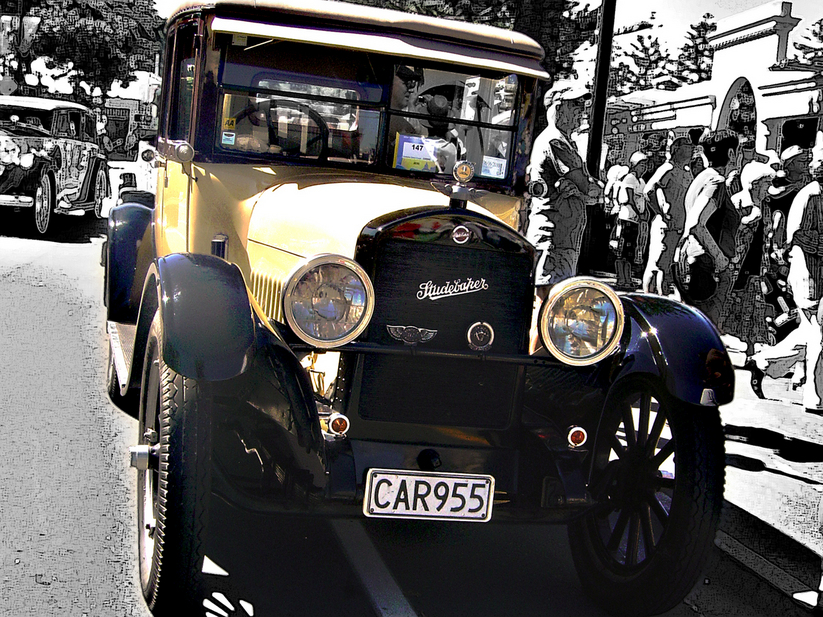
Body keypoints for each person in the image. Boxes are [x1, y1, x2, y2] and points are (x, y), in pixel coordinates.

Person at [747, 136, 823, 412]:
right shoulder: (810, 195)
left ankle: (763, 362)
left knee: (810, 332)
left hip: (814, 273)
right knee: (818, 333)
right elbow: (796, 235)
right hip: (808, 274)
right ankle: (815, 397)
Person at [526, 85, 600, 297]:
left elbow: (593, 192)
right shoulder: (556, 141)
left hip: (560, 239)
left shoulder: (565, 141)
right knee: (550, 301)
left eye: (583, 105)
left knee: (553, 299)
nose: (581, 110)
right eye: (575, 104)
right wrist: (585, 190)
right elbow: (589, 188)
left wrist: (585, 191)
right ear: (558, 107)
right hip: (554, 239)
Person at [674, 129, 740, 326]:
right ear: (731, 153)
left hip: (691, 260)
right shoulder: (716, 181)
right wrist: (721, 260)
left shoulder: (701, 178)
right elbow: (696, 223)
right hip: (707, 267)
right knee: (708, 329)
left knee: (690, 326)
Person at [721, 161, 776, 349]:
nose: (769, 187)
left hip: (755, 267)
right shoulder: (738, 202)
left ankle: (751, 348)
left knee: (752, 312)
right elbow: (729, 232)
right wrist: (749, 220)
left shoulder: (765, 206)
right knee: (730, 310)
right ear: (754, 183)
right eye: (766, 182)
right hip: (736, 266)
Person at [642, 137, 692, 295]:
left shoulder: (686, 172)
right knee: (657, 265)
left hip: (679, 226)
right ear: (676, 149)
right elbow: (649, 190)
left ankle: (660, 298)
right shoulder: (668, 168)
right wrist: (661, 213)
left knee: (668, 266)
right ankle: (649, 298)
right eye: (687, 145)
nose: (691, 149)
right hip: (666, 226)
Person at [610, 151, 648, 290]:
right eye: (641, 164)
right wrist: (639, 213)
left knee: (630, 250)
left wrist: (645, 213)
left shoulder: (641, 182)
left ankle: (628, 278)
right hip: (626, 218)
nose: (644, 168)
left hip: (635, 220)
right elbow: (630, 198)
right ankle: (621, 278)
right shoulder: (630, 179)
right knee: (622, 250)